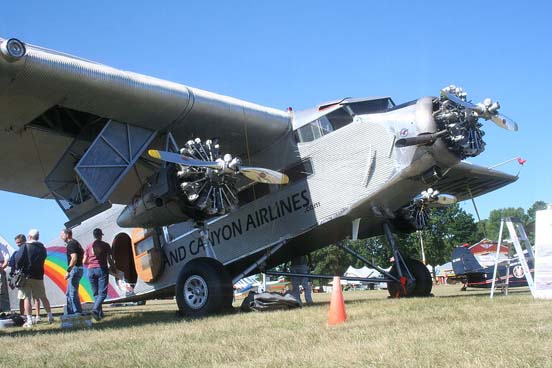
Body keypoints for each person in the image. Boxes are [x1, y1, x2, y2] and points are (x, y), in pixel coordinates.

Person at [16, 229, 54, 327]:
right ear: (38, 237)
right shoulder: (42, 247)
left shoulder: (25, 246)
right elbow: (44, 258)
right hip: (39, 275)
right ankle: (50, 316)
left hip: (26, 276)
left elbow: (18, 259)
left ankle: (29, 320)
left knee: (26, 298)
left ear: (29, 237)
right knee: (43, 297)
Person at [83, 228, 115, 321]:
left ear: (94, 236)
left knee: (96, 294)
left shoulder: (88, 246)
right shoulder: (105, 245)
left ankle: (99, 315)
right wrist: (114, 268)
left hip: (90, 270)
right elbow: (109, 259)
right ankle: (95, 310)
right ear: (101, 235)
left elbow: (84, 261)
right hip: (101, 269)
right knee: (103, 294)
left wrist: (92, 263)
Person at [60, 228, 84, 315]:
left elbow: (74, 258)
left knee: (72, 292)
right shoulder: (76, 243)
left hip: (75, 269)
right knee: (68, 293)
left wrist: (68, 271)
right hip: (79, 268)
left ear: (67, 234)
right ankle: (70, 313)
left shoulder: (71, 244)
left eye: (62, 234)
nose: (61, 236)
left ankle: (77, 312)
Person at [0, 238, 10, 312]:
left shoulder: (2, 246)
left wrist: (2, 268)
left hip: (0, 271)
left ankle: (3, 311)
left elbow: (6, 260)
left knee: (1, 291)